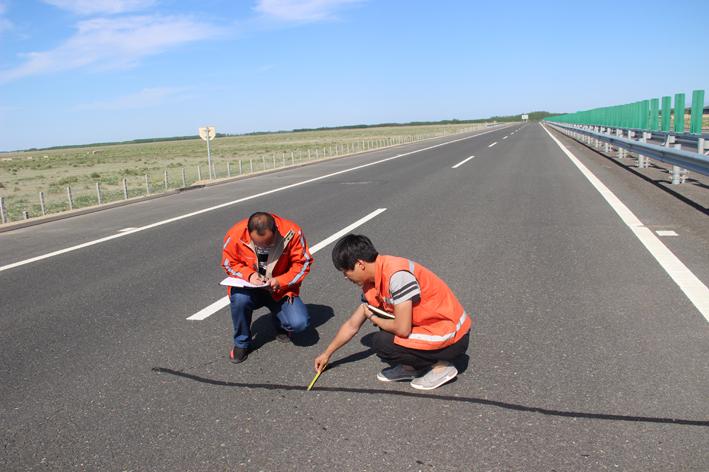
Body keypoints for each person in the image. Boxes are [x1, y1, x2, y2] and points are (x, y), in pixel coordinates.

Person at [314, 234, 471, 390]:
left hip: (453, 335)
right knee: (383, 322)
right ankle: (410, 367)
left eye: (346, 271)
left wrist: (373, 316)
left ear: (360, 264)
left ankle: (441, 367)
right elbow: (352, 325)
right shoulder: (371, 281)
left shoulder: (397, 275)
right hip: (430, 329)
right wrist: (327, 354)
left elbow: (402, 329)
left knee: (382, 342)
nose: (345, 277)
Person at [222, 211, 312, 363]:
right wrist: (249, 275)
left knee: (299, 323)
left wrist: (281, 281)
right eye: (258, 244)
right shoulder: (235, 234)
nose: (263, 247)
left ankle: (281, 323)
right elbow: (228, 263)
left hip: (280, 289)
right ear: (249, 233)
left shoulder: (292, 232)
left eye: (268, 243)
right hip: (250, 289)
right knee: (239, 299)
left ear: (276, 230)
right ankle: (241, 343)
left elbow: (302, 264)